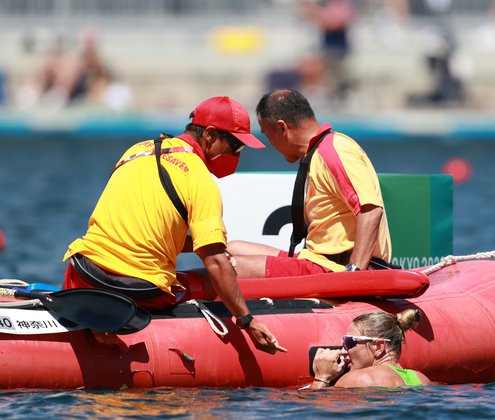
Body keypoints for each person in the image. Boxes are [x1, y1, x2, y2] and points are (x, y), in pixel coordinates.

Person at [62, 96, 286, 355]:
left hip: (81, 274)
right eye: (235, 146)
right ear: (210, 135)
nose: (236, 155)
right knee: (213, 279)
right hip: (137, 292)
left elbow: (142, 231)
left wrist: (200, 247)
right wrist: (248, 321)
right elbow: (215, 263)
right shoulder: (200, 179)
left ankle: (90, 326)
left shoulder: (135, 150)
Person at [228, 89, 392, 277]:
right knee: (232, 249)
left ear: (282, 128)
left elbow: (370, 210)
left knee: (227, 267)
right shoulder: (317, 153)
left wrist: (354, 272)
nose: (271, 144)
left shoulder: (334, 150)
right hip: (318, 260)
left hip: (337, 268)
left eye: (268, 135)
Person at [310, 309, 432, 388]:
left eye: (349, 341)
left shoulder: (358, 380)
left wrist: (321, 378)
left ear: (378, 347)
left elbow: (315, 413)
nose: (344, 350)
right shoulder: (422, 380)